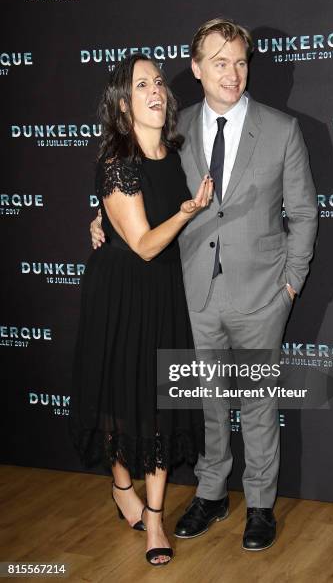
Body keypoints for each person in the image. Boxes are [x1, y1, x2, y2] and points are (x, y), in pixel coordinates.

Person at [91, 19, 318, 552]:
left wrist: (291, 285)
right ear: (195, 70)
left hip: (263, 293)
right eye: (219, 62)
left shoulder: (282, 129)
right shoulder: (174, 131)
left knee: (259, 403)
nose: (232, 73)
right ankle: (212, 493)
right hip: (190, 293)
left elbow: (305, 214)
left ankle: (260, 504)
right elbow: (135, 189)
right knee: (207, 402)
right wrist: (102, 219)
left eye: (240, 62)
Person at [70, 54, 212, 566]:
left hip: (163, 293)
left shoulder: (174, 154)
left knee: (157, 407)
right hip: (123, 290)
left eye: (158, 82)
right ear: (124, 104)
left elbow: (140, 217)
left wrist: (105, 211)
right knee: (118, 397)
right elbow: (146, 244)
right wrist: (185, 212)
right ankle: (121, 487)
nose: (155, 90)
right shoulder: (117, 163)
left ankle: (154, 517)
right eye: (141, 85)